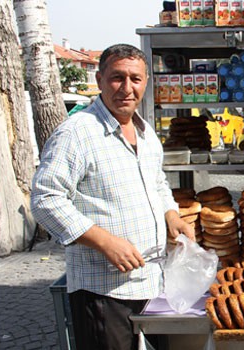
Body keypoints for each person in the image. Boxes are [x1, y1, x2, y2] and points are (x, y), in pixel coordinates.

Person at [31, 44, 195, 350]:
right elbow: (45, 199)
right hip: (104, 289)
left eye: (136, 79)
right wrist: (105, 242)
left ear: (146, 82)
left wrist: (171, 213)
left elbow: (157, 182)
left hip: (152, 281)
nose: (127, 88)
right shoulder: (77, 133)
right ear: (99, 79)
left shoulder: (145, 133)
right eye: (117, 78)